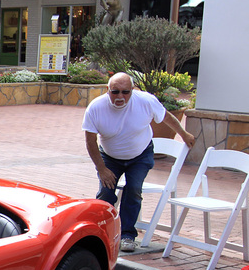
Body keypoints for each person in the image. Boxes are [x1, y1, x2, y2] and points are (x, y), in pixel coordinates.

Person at [83, 72, 195, 252]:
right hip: (110, 157)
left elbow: (166, 117)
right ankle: (101, 232)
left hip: (140, 156)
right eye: (115, 92)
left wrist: (184, 134)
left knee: (133, 189)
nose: (120, 97)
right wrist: (102, 169)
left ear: (132, 90)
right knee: (106, 192)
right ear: (107, 90)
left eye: (125, 92)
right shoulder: (96, 108)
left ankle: (127, 235)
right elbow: (90, 141)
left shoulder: (145, 101)